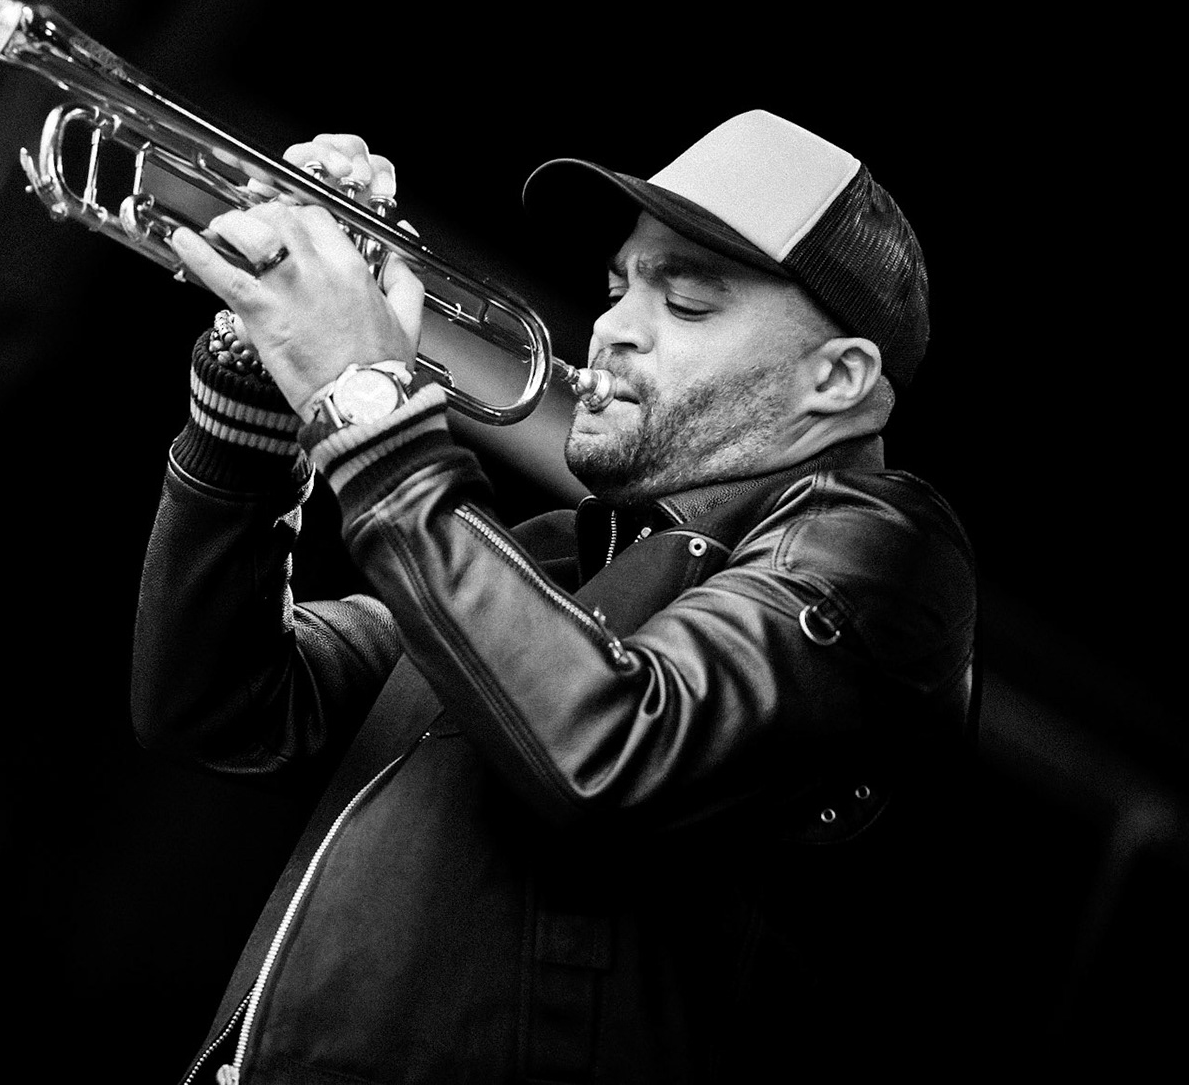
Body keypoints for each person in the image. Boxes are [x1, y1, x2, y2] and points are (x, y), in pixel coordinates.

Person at [133, 109, 978, 1084]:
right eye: (618, 288)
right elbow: (224, 705)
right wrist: (257, 383)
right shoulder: (554, 562)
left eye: (686, 304)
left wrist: (366, 399)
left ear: (835, 379)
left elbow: (614, 744)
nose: (612, 327)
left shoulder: (888, 554)